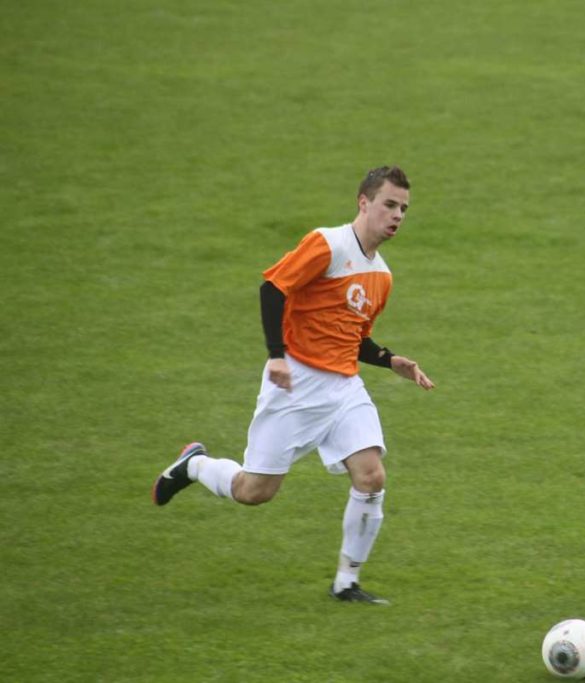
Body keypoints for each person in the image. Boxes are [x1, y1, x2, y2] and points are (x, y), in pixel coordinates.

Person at [152, 166, 434, 605]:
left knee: (372, 475)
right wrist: (276, 354)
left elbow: (351, 336)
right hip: (296, 383)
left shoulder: (382, 275)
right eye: (389, 205)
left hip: (344, 389)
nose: (397, 215)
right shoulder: (328, 244)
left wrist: (389, 359)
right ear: (364, 203)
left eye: (403, 209)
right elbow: (273, 289)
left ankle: (346, 583)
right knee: (254, 491)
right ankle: (195, 465)